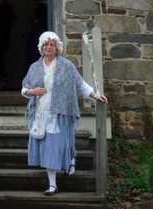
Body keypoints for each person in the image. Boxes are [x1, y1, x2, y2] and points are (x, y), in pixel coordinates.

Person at [21, 31, 107, 195]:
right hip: (41, 113)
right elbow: (24, 88)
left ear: (57, 48)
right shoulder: (35, 67)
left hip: (61, 112)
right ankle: (52, 185)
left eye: (52, 45)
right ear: (41, 47)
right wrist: (32, 92)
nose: (49, 47)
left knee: (60, 144)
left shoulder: (66, 65)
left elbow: (80, 84)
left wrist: (95, 95)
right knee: (48, 149)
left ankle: (70, 159)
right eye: (46, 45)